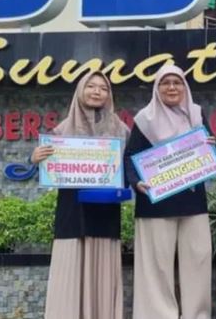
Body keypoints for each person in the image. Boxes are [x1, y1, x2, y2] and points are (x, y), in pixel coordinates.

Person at [31, 71, 130, 319]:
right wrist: (35, 159)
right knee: (70, 267)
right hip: (72, 213)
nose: (97, 92)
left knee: (102, 272)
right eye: (91, 86)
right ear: (80, 91)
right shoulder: (61, 131)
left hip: (105, 212)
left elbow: (130, 170)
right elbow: (49, 171)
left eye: (103, 88)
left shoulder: (121, 130)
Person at [123, 64, 215, 319]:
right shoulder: (145, 119)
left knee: (198, 260)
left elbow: (209, 152)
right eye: (165, 83)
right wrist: (136, 182)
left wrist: (212, 145)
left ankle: (197, 314)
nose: (172, 87)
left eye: (177, 82)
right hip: (155, 204)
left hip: (193, 202)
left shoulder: (196, 114)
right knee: (156, 268)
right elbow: (130, 156)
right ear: (157, 87)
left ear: (185, 87)